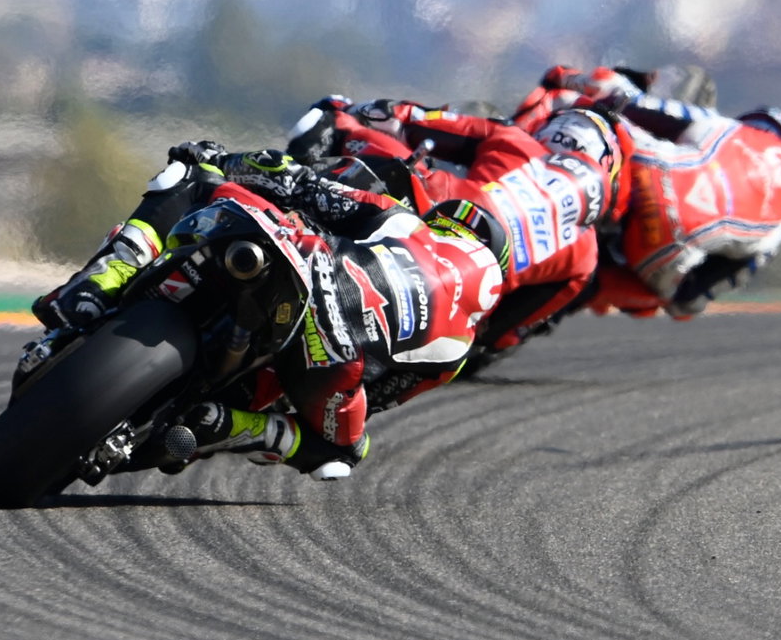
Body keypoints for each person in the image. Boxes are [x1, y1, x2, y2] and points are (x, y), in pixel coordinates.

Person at [26, 142, 509, 481]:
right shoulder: (456, 351)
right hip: (329, 362)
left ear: (445, 223)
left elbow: (298, 182)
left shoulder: (402, 222)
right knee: (341, 450)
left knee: (190, 179)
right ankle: (226, 426)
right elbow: (376, 398)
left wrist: (219, 160)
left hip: (311, 272)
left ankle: (99, 284)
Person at [284, 96, 629, 363]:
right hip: (460, 298)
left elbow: (407, 119)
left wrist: (351, 112)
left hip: (421, 211)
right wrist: (485, 340)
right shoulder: (586, 257)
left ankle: (280, 188)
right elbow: (507, 330)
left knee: (343, 126)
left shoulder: (514, 139)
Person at [513, 65, 781, 319]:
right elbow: (689, 302)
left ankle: (511, 153)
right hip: (662, 251)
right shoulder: (776, 233)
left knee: (580, 110)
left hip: (649, 169)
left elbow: (626, 102)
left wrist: (565, 77)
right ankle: (567, 296)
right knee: (659, 294)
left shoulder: (722, 125)